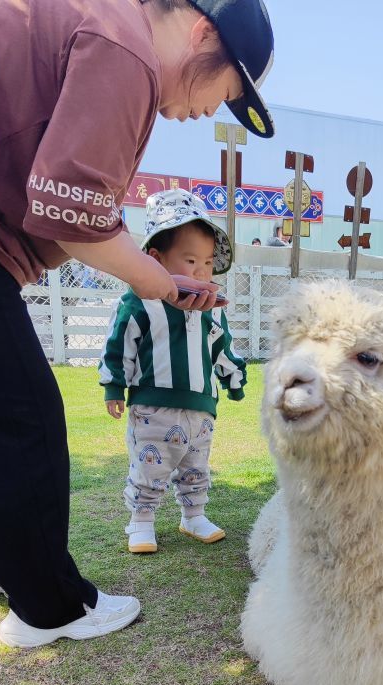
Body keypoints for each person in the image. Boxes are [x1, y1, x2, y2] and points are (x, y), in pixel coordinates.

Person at [0, 0, 275, 648]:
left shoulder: (90, 21)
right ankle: (52, 609)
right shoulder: (125, 44)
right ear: (203, 32)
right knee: (20, 423)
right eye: (226, 90)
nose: (210, 110)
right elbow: (67, 211)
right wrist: (155, 281)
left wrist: (159, 276)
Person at [99, 190, 246, 554]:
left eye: (209, 263)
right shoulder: (139, 301)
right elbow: (120, 345)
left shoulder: (213, 308)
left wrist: (233, 378)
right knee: (150, 467)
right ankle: (141, 521)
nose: (201, 272)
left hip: (201, 407)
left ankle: (193, 515)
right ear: (155, 259)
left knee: (197, 467)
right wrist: (113, 386)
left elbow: (221, 348)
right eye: (191, 260)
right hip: (154, 407)